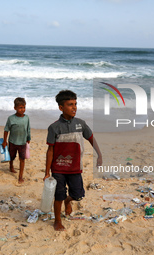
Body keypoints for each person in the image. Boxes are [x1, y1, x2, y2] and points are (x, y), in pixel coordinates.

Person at [44, 90, 102, 231]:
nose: (74, 107)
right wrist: (47, 172)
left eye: (75, 104)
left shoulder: (81, 124)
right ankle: (57, 220)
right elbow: (50, 150)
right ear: (61, 107)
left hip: (75, 167)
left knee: (78, 195)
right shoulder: (54, 127)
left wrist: (99, 155)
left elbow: (91, 138)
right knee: (58, 194)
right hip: (58, 168)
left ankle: (68, 201)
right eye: (70, 104)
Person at [3, 97, 31, 183]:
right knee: (12, 156)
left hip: (22, 142)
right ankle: (11, 166)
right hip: (12, 142)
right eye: (20, 107)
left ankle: (20, 176)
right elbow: (6, 130)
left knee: (22, 159)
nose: (22, 109)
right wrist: (5, 141)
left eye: (24, 107)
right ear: (15, 108)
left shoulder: (26, 118)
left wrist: (28, 138)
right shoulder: (11, 118)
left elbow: (28, 128)